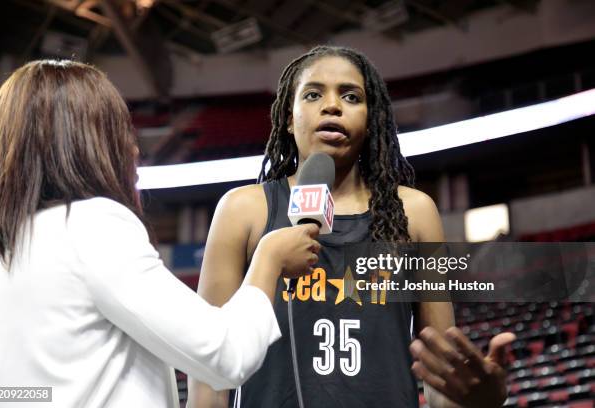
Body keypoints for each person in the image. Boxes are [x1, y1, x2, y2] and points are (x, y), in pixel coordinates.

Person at [188, 45, 515, 408]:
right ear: (287, 117)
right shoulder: (242, 209)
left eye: (351, 96)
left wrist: (478, 402)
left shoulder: (417, 212)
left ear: (370, 117)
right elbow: (209, 378)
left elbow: (439, 379)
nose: (332, 105)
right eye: (313, 94)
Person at [0, 60, 321, 408]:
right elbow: (224, 356)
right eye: (118, 134)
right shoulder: (92, 226)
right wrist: (268, 258)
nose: (133, 150)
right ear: (83, 145)